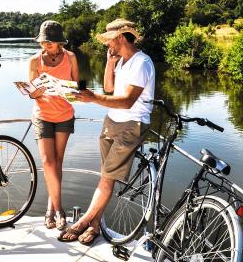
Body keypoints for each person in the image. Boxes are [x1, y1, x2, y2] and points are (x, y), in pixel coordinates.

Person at [59, 18, 155, 245]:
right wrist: (109, 63)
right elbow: (110, 89)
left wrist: (92, 98)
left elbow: (127, 102)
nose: (106, 45)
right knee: (106, 178)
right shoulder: (123, 61)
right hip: (111, 121)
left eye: (109, 41)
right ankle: (94, 227)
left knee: (106, 178)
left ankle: (83, 221)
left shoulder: (142, 63)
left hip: (132, 124)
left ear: (120, 37)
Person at [28, 20, 79, 231]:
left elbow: (78, 85)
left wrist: (69, 90)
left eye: (49, 43)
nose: (45, 46)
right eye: (43, 42)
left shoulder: (71, 57)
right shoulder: (34, 61)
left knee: (57, 162)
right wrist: (35, 91)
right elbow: (32, 92)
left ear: (59, 43)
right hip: (42, 115)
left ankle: (51, 206)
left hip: (64, 114)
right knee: (48, 162)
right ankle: (58, 210)